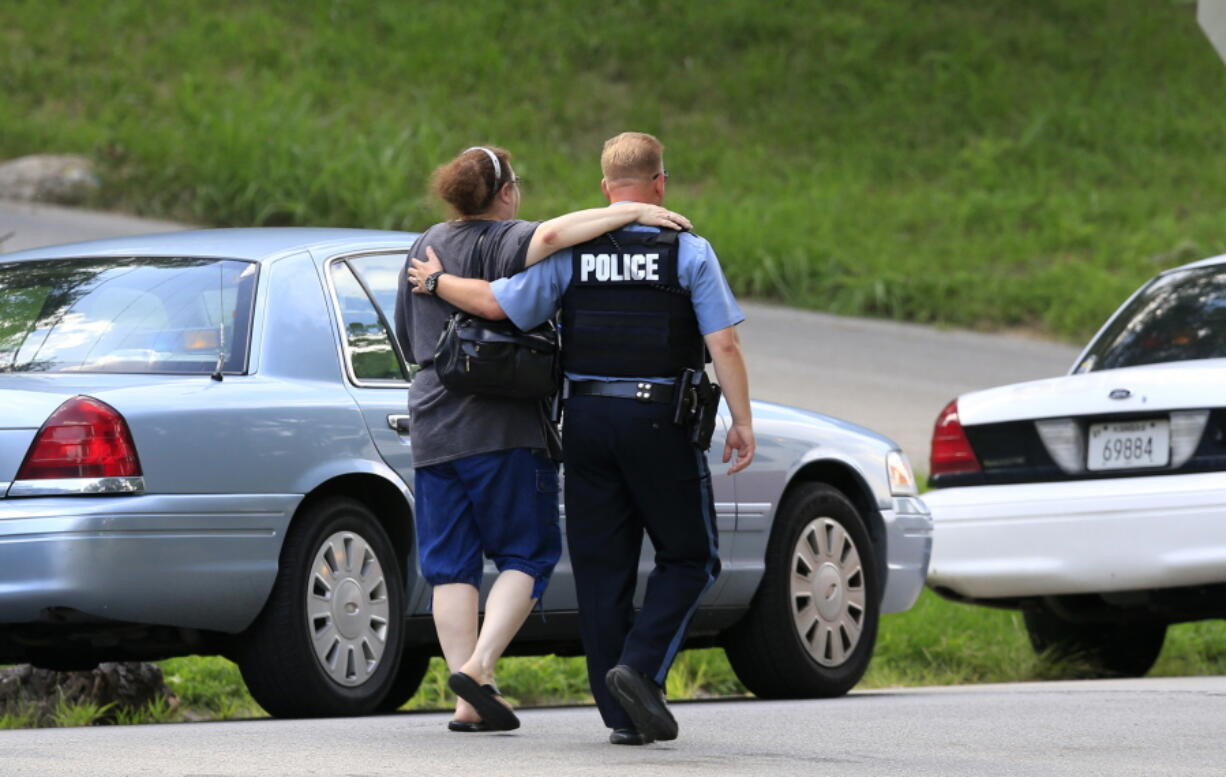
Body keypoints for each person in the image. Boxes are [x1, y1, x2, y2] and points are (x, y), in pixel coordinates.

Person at [406, 132, 755, 745]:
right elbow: (723, 343)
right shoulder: (688, 251)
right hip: (660, 423)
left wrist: (435, 284)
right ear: (660, 184)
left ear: (603, 189)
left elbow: (497, 305)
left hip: (585, 425)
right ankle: (639, 669)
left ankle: (619, 717)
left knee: (599, 569)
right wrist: (743, 420)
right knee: (689, 556)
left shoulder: (571, 257)